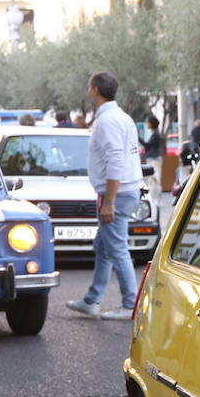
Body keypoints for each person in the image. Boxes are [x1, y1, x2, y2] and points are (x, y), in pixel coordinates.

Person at [67, 72, 143, 321]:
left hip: (116, 194)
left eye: (89, 87)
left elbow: (115, 161)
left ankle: (130, 303)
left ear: (95, 90)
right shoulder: (121, 118)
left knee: (117, 248)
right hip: (123, 191)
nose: (88, 91)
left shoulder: (108, 121)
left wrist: (108, 201)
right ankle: (92, 299)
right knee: (103, 246)